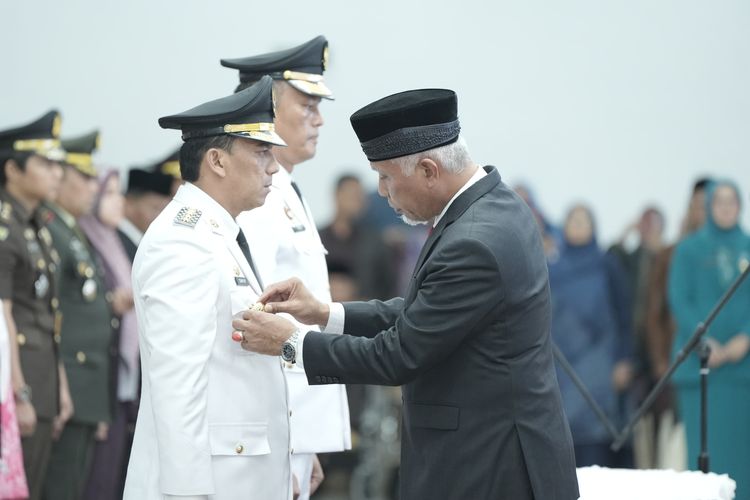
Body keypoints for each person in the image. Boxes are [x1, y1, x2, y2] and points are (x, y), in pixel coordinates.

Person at [234, 88, 579, 500]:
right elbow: (429, 312)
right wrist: (325, 313)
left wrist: (290, 343)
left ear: (430, 170)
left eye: (386, 177)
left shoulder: (474, 241)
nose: (380, 191)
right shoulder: (495, 206)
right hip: (491, 454)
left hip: (488, 466)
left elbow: (398, 356)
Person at [123, 76, 292, 500]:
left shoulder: (217, 233)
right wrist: (188, 492)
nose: (274, 166)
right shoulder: (183, 242)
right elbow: (178, 384)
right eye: (262, 151)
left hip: (239, 474)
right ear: (216, 161)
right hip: (205, 485)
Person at [222, 35, 350, 499]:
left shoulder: (286, 190)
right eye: (307, 103)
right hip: (273, 424)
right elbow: (255, 321)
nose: (319, 118)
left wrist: (307, 444)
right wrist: (289, 440)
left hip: (294, 423)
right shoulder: (257, 197)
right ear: (267, 107)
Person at [0, 110, 72, 500]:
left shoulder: (34, 225)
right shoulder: (5, 226)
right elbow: (2, 316)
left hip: (41, 379)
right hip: (18, 382)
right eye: (45, 163)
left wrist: (59, 385)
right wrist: (18, 393)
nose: (56, 173)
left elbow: (49, 313)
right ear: (12, 168)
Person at [42, 130, 116, 499]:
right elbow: (52, 315)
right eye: (83, 177)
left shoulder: (72, 230)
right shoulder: (51, 229)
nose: (92, 187)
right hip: (67, 384)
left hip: (85, 388)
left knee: (72, 486)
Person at [668, 180, 750, 500]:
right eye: (720, 201)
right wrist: (707, 340)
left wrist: (745, 339)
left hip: (742, 374)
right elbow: (679, 299)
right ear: (709, 206)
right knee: (708, 461)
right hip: (702, 371)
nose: (726, 207)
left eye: (733, 201)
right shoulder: (689, 249)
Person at [548, 204, 632, 467]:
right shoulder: (552, 270)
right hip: (564, 371)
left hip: (603, 366)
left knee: (600, 444)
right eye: (574, 220)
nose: (579, 225)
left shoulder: (607, 264)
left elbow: (624, 315)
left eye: (585, 220)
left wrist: (624, 359)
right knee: (569, 443)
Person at [79, 170, 137, 500]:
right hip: (98, 382)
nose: (120, 201)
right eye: (111, 192)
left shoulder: (117, 242)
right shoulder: (86, 241)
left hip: (120, 382)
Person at [644, 178, 709, 469]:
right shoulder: (672, 253)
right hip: (678, 361)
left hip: (724, 366)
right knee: (676, 450)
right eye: (700, 205)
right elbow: (655, 312)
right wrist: (660, 360)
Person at [320, 174, 396, 301]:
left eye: (360, 196)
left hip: (365, 314)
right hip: (322, 313)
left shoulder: (375, 242)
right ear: (337, 195)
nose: (357, 201)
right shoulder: (316, 239)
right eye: (352, 195)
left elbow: (387, 286)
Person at [117, 167, 172, 262]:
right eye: (156, 208)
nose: (161, 216)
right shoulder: (117, 243)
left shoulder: (141, 242)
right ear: (129, 203)